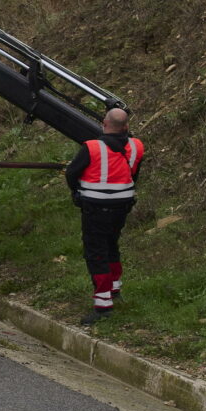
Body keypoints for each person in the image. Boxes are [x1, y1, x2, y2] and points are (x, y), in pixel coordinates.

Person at [65, 107, 145, 326]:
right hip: (122, 207)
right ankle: (114, 289)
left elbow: (72, 173)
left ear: (104, 124)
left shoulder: (91, 148)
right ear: (126, 127)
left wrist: (76, 192)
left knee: (96, 252)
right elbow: (133, 174)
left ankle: (103, 306)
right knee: (112, 245)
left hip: (95, 209)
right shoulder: (137, 146)